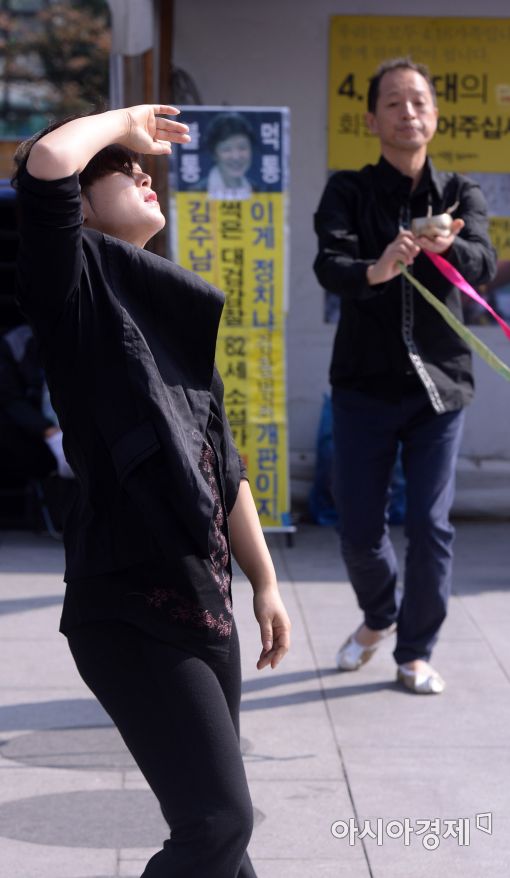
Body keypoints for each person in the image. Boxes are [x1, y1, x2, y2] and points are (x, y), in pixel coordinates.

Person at [13, 104, 291, 876]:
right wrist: (128, 120)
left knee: (223, 842)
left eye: (143, 169)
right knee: (217, 824)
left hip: (204, 598)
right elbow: (45, 166)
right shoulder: (71, 290)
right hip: (127, 605)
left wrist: (265, 581)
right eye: (119, 172)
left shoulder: (170, 310)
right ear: (81, 208)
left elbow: (222, 465)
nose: (142, 174)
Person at [313, 58, 496, 694]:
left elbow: (485, 263)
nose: (408, 112)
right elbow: (329, 263)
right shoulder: (348, 190)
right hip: (363, 384)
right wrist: (377, 266)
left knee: (430, 524)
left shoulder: (461, 194)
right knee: (359, 529)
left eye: (418, 101)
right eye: (393, 102)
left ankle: (415, 651)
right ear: (372, 120)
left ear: (435, 116)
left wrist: (451, 247)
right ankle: (379, 614)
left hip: (440, 387)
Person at [201, 111, 257, 199]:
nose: (236, 157)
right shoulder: (194, 192)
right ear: (214, 154)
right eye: (226, 149)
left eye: (242, 147)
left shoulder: (260, 191)